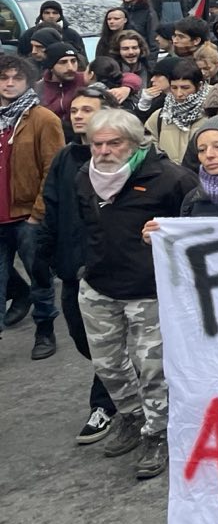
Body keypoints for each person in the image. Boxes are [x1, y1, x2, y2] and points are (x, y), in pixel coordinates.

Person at [76, 107, 198, 479]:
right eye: (97, 144)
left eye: (114, 143)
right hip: (99, 286)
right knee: (108, 365)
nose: (105, 151)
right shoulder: (85, 176)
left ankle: (158, 433)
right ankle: (130, 416)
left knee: (153, 370)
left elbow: (195, 228)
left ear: (135, 143)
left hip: (150, 291)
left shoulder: (171, 178)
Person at [33, 86, 117, 440]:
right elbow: (51, 206)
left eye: (88, 109)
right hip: (71, 268)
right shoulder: (66, 158)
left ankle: (104, 404)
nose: (77, 115)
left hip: (113, 269)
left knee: (110, 340)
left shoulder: (124, 157)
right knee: (84, 340)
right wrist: (49, 256)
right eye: (76, 110)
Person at [0, 53, 66, 357]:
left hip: (28, 215)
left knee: (40, 277)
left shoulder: (43, 119)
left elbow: (53, 171)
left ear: (28, 81)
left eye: (17, 78)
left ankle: (44, 331)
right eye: (4, 78)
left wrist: (38, 214)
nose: (9, 83)